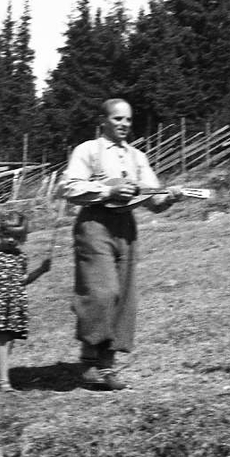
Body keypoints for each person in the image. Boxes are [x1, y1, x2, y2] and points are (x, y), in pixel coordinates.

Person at [61, 98, 182, 391]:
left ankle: (107, 366)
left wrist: (169, 197)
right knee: (102, 292)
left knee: (124, 297)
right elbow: (69, 187)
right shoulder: (87, 150)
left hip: (126, 227)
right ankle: (89, 360)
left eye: (128, 120)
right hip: (94, 224)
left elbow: (153, 198)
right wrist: (108, 189)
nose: (124, 124)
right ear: (103, 121)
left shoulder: (137, 157)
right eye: (117, 119)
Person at [0, 211, 51, 392]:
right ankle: (3, 382)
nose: (12, 240)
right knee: (3, 339)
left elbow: (23, 280)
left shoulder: (20, 257)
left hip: (14, 303)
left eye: (17, 236)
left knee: (10, 339)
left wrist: (41, 271)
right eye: (7, 235)